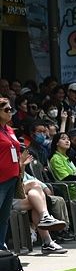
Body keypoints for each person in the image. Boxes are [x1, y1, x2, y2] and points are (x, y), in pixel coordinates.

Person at [0, 96, 24, 251]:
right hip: (0, 178)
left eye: (11, 109)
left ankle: (1, 245)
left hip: (12, 177)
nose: (10, 112)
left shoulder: (9, 129)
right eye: (6, 109)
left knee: (4, 216)